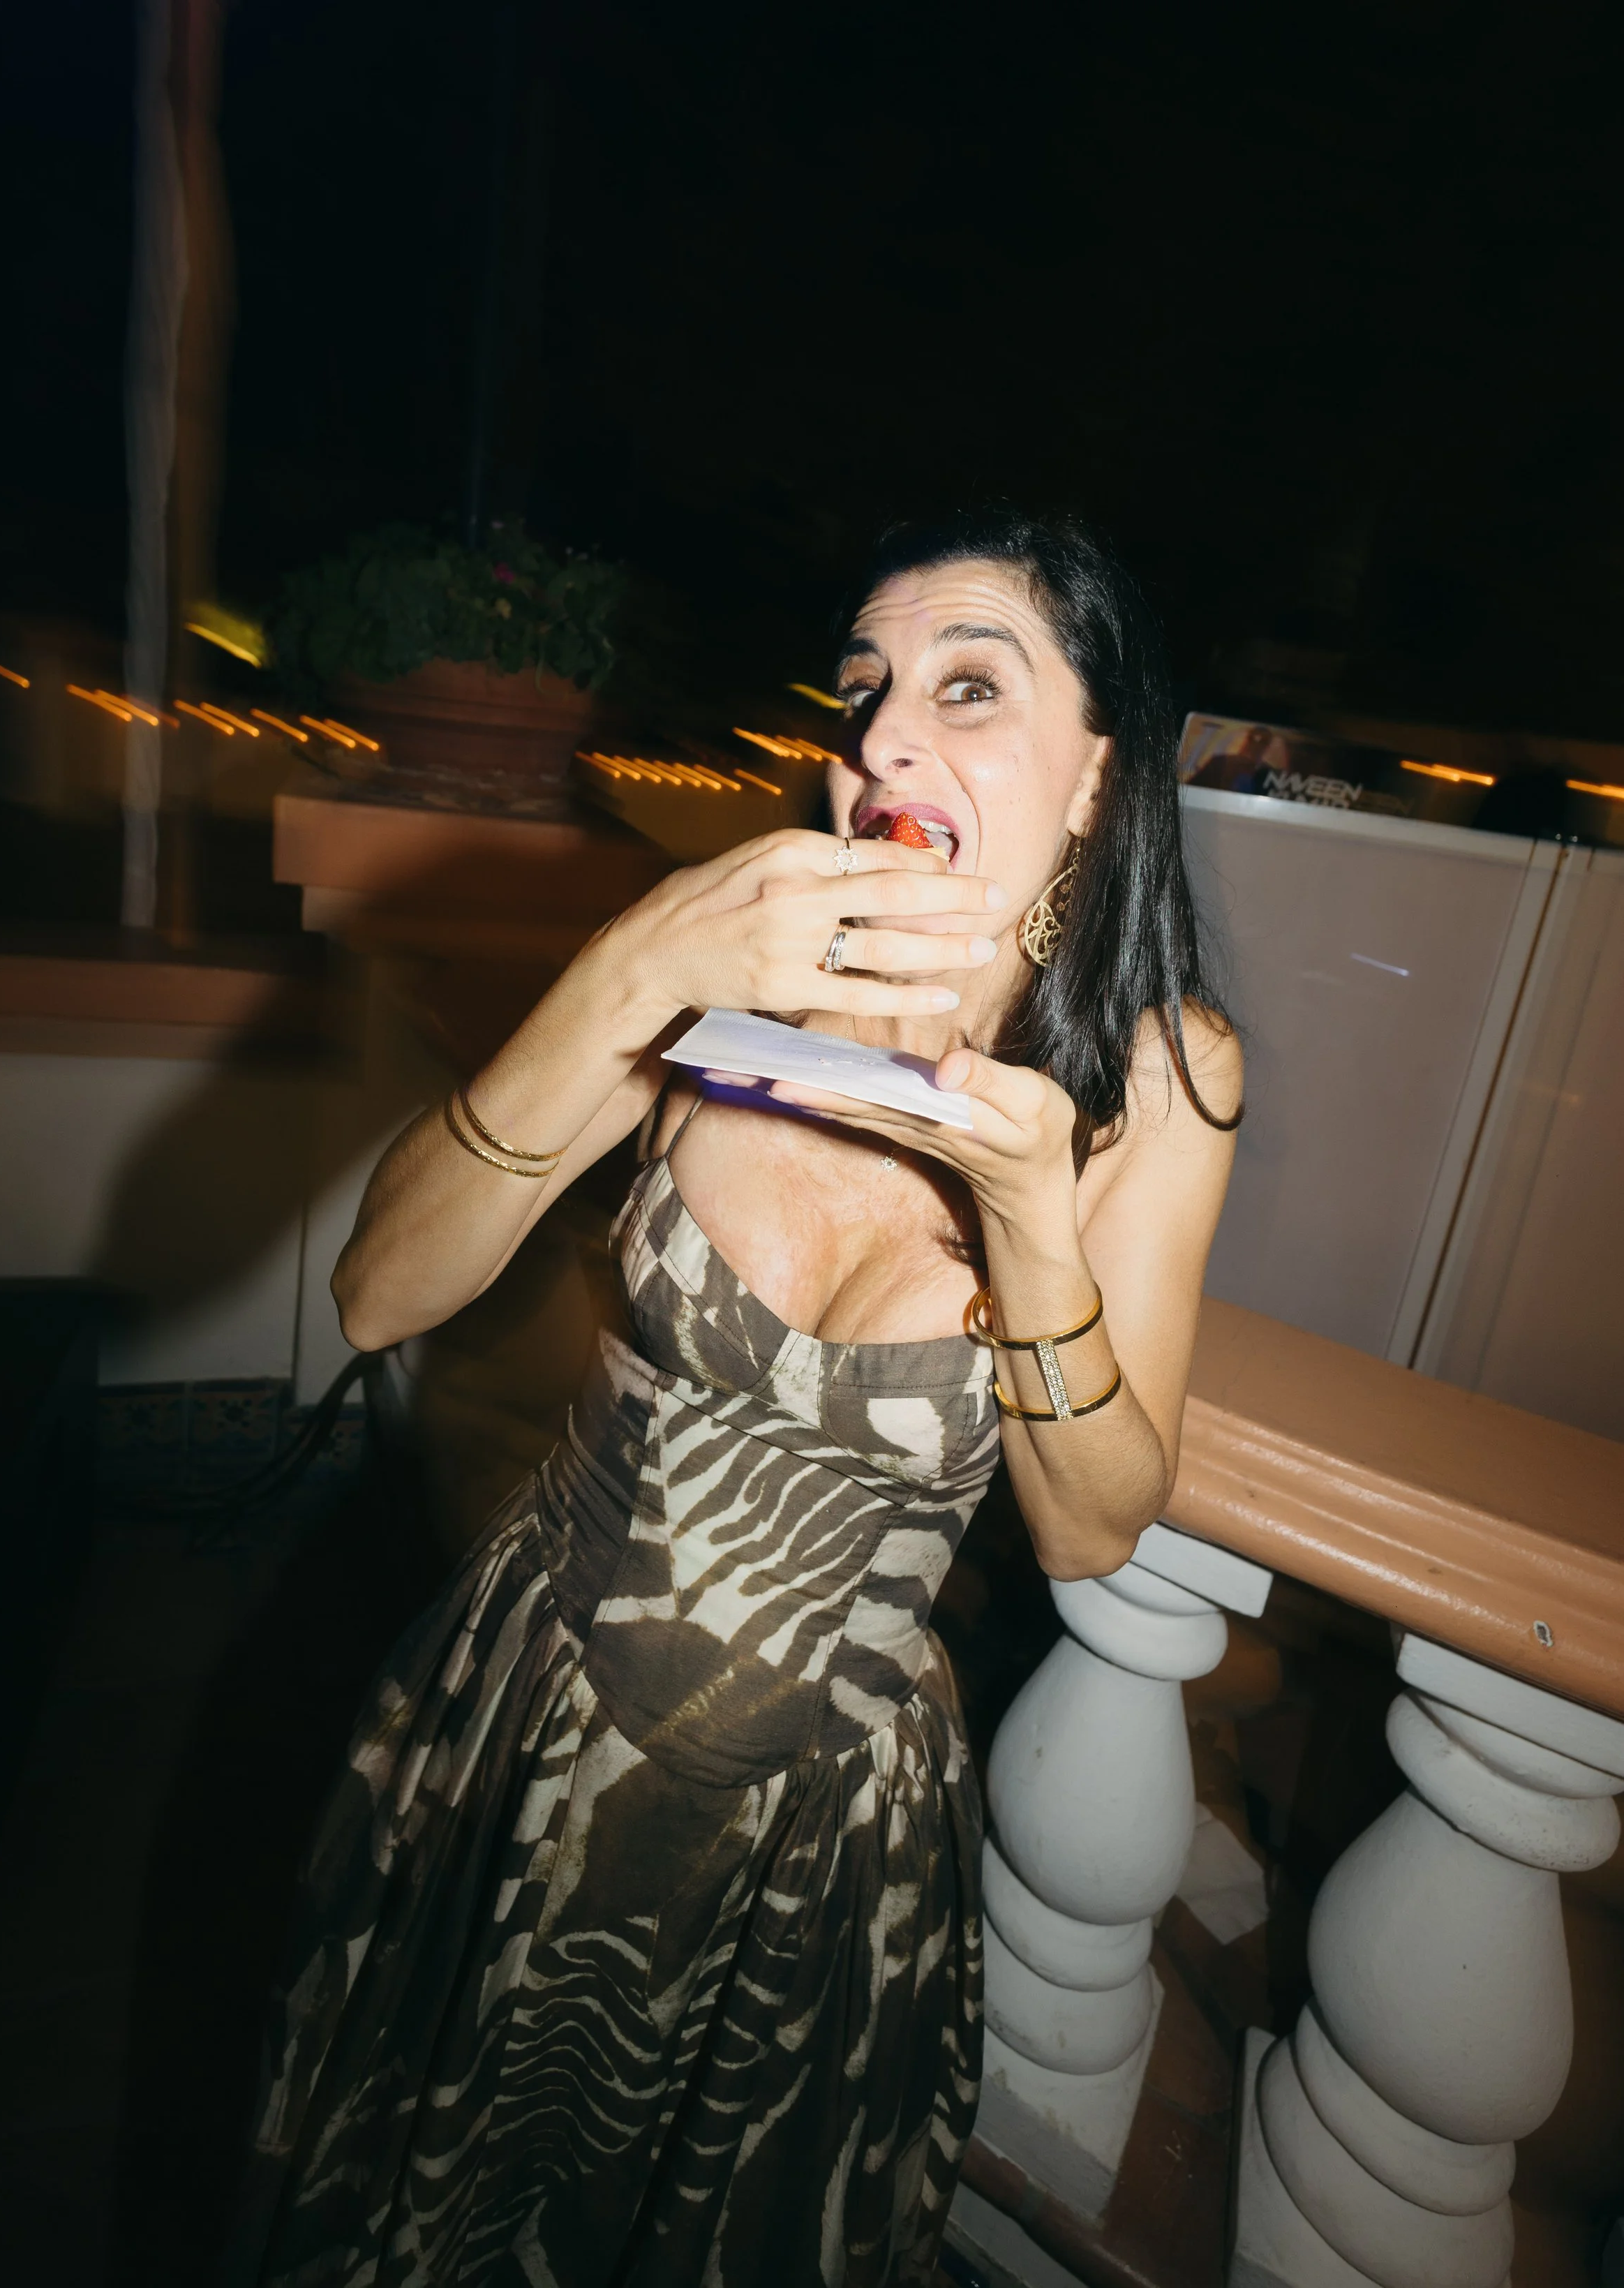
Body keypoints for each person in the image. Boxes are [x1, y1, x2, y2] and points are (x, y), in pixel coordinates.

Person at [226, 510, 1242, 2287]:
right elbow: (380, 1290)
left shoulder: (1155, 1079)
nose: (882, 737)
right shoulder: (733, 974)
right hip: (525, 1724)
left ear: (1097, 777)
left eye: (966, 687)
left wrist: (1028, 1221)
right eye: (863, 691)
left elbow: (1093, 1529)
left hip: (813, 1838)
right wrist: (630, 972)